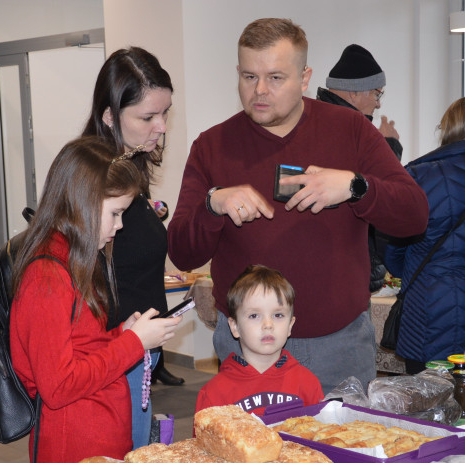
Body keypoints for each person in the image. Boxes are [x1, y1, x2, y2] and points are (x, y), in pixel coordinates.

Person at [168, 18, 428, 395]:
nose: (260, 90)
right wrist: (212, 204)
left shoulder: (351, 130)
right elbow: (181, 252)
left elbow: (415, 215)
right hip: (246, 350)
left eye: (275, 78)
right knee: (247, 453)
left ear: (305, 78)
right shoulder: (212, 146)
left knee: (344, 452)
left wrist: (356, 187)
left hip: (338, 346)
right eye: (248, 76)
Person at [9, 137, 182, 463]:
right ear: (81, 204)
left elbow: (81, 346)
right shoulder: (46, 276)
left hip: (96, 445)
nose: (119, 226)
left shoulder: (71, 262)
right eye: (115, 213)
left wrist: (119, 334)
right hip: (72, 455)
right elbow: (58, 386)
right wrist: (132, 344)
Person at [82, 46, 184, 451]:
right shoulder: (94, 180)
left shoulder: (129, 171)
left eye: (165, 113)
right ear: (109, 116)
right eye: (147, 117)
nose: (160, 127)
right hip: (113, 357)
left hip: (135, 351)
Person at [384, 95, 465, 374]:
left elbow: (393, 251)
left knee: (430, 404)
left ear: (447, 129)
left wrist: (414, 266)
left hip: (433, 307)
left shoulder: (419, 176)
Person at [316, 43, 403, 295]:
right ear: (354, 93)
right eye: (377, 94)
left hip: (339, 268)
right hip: (343, 269)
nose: (378, 105)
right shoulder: (343, 129)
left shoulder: (325, 121)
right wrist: (389, 147)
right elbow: (377, 192)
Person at [195, 265, 323, 416]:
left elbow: (319, 436)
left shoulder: (308, 384)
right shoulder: (214, 393)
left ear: (290, 325)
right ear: (234, 326)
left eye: (278, 315)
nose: (268, 325)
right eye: (254, 316)